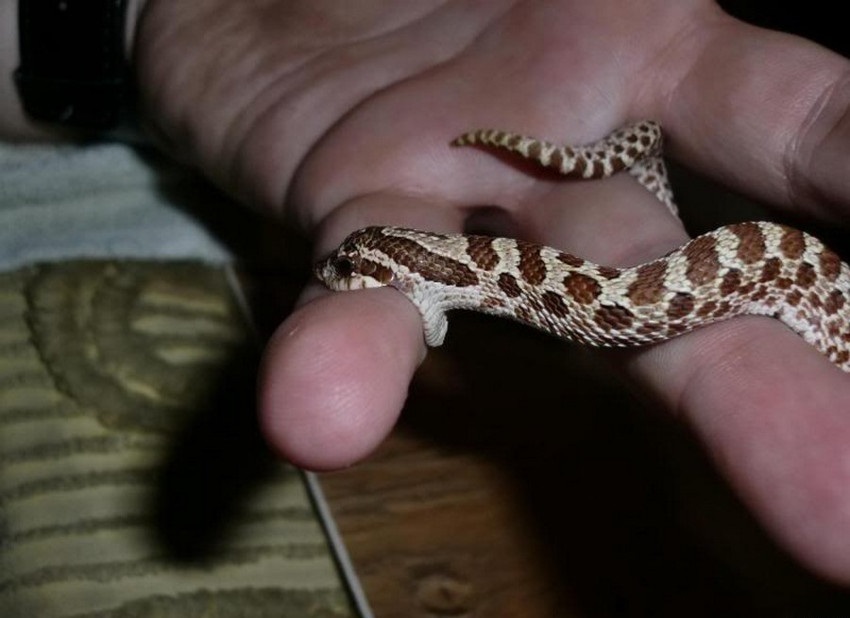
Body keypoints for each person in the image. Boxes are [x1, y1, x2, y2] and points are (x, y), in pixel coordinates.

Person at [4, 0, 850, 585]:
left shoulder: (485, 270)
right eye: (344, 267)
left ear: (405, 271)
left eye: (352, 270)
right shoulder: (468, 271)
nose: (336, 275)